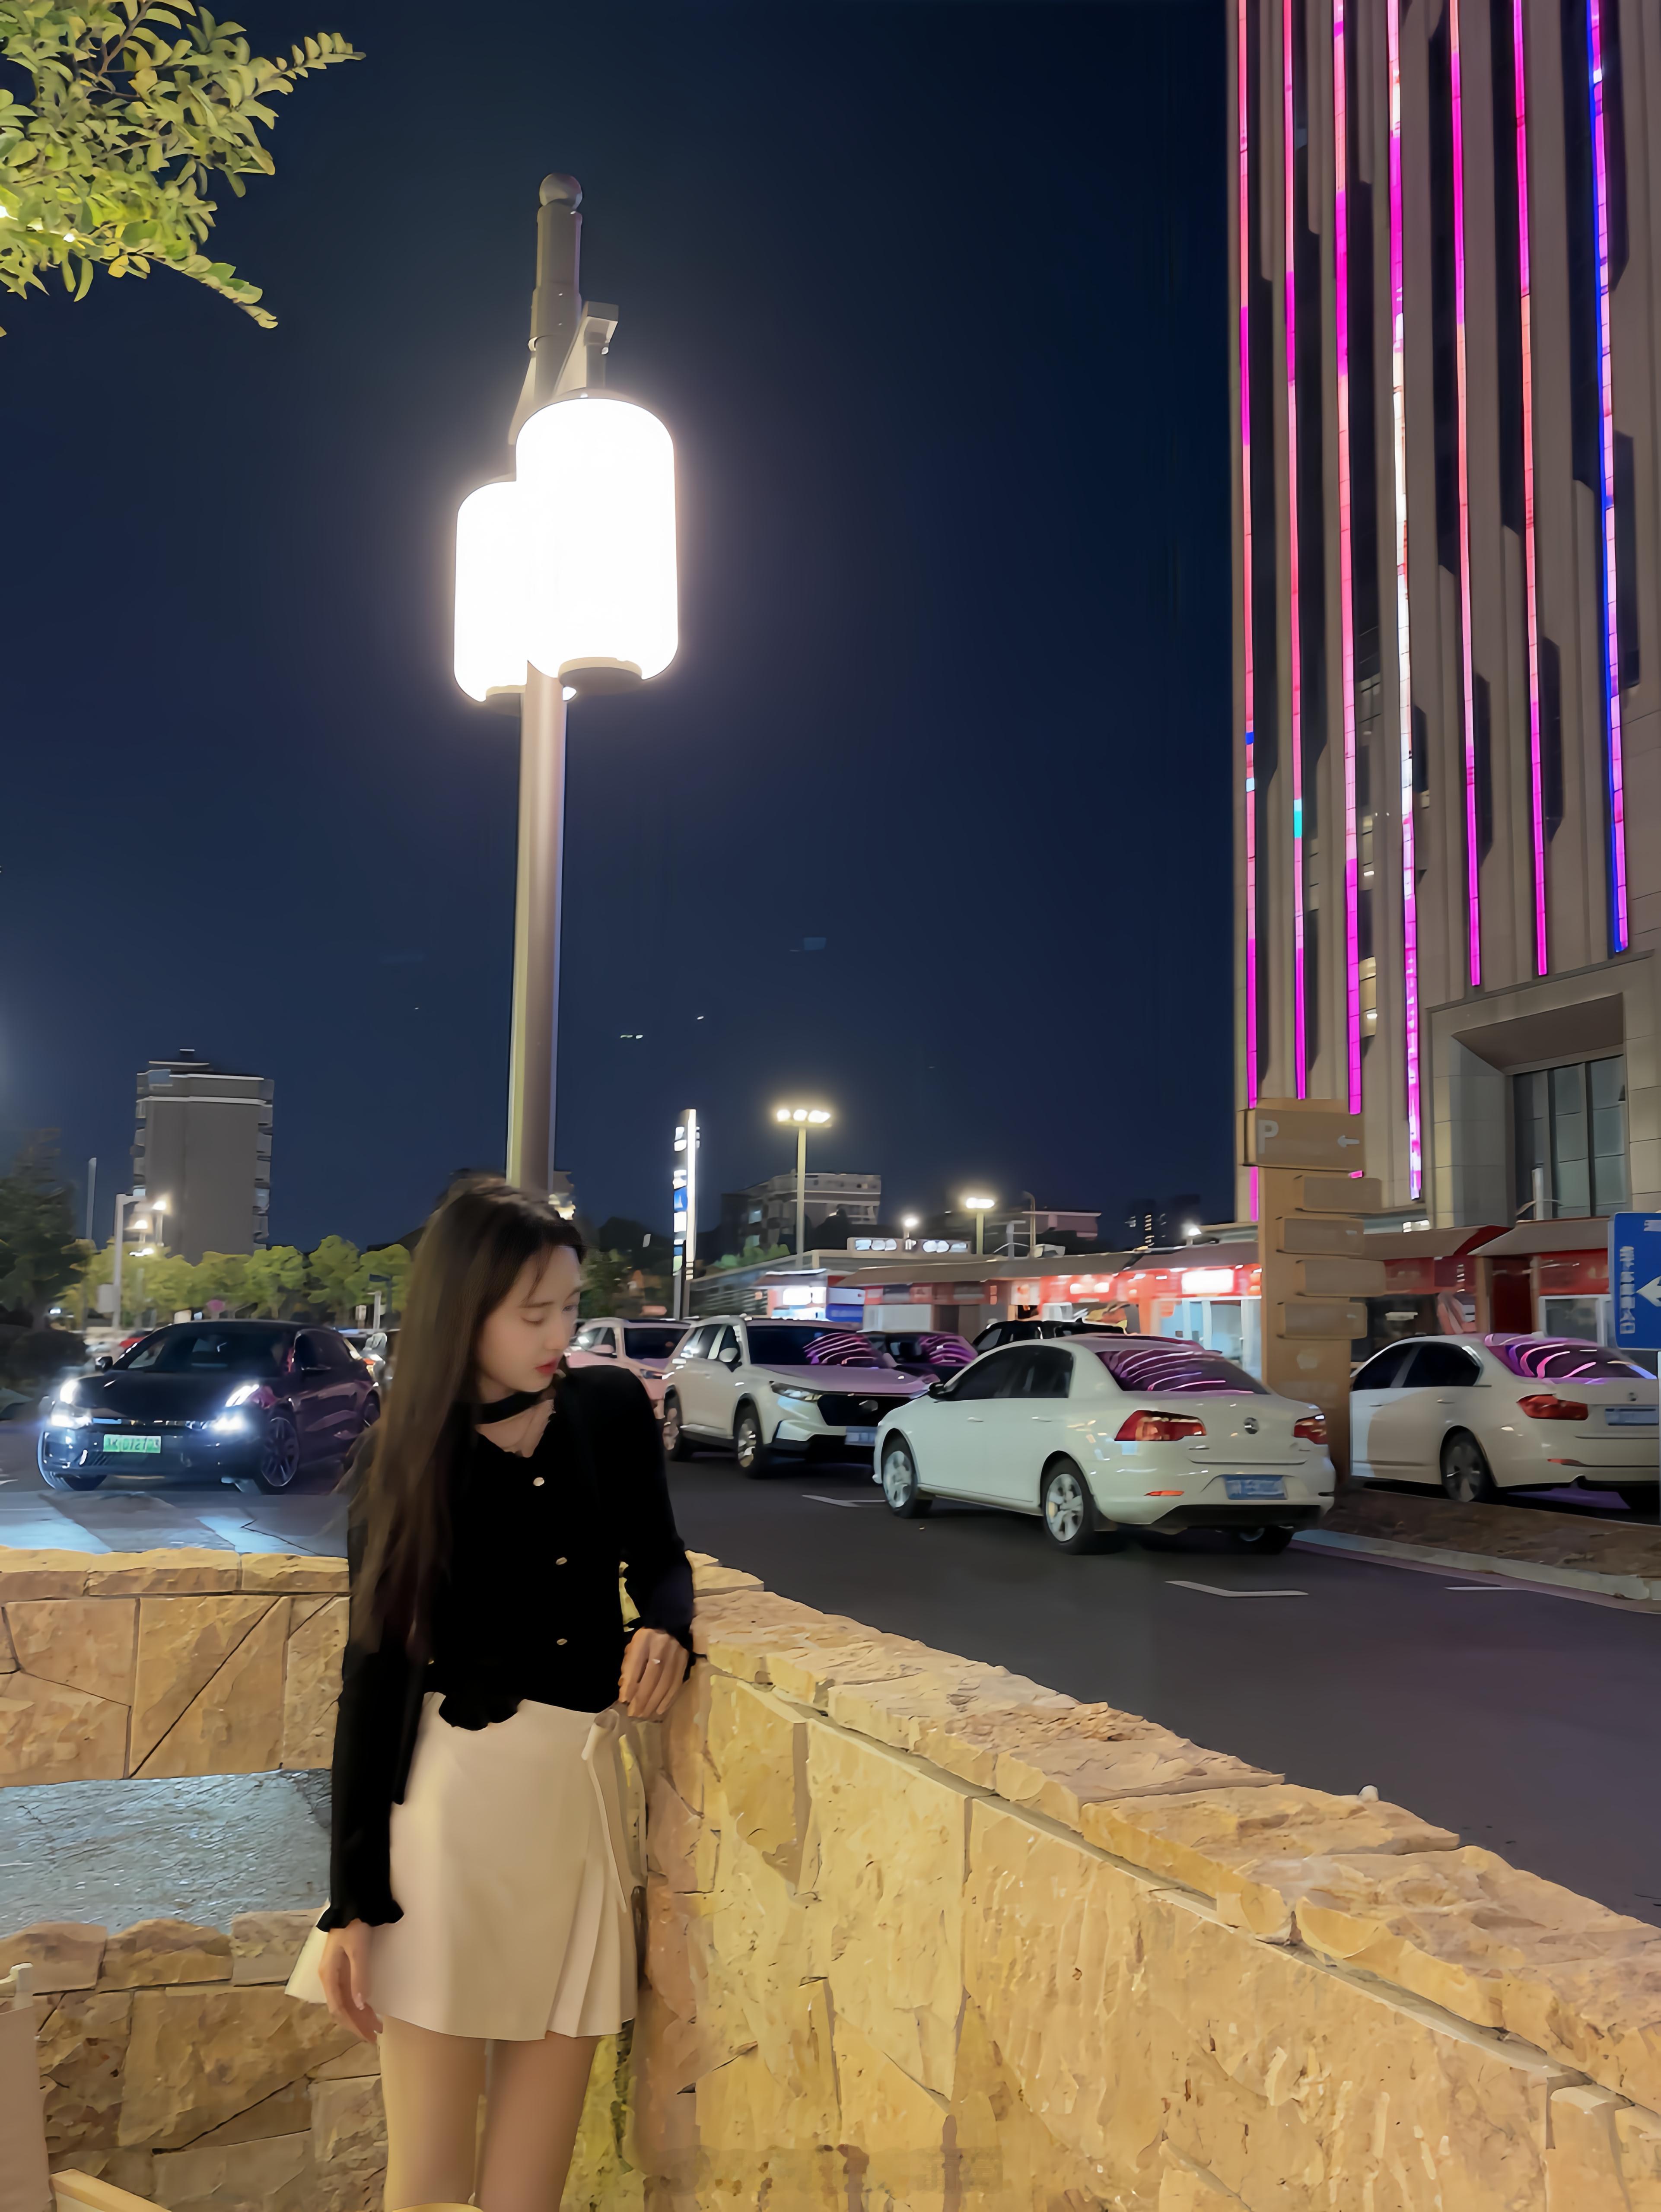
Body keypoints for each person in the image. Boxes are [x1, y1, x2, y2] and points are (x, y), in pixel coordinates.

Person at [285, 1175, 693, 2212]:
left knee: (527, 2190)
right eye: (533, 1312)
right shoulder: (404, 1460)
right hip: (449, 1818)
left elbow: (660, 1556)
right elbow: (373, 1679)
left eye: (570, 1306)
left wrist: (666, 1623)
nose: (561, 1333)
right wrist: (354, 1902)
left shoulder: (608, 1409)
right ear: (463, 1313)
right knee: (429, 2179)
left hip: (574, 1803)